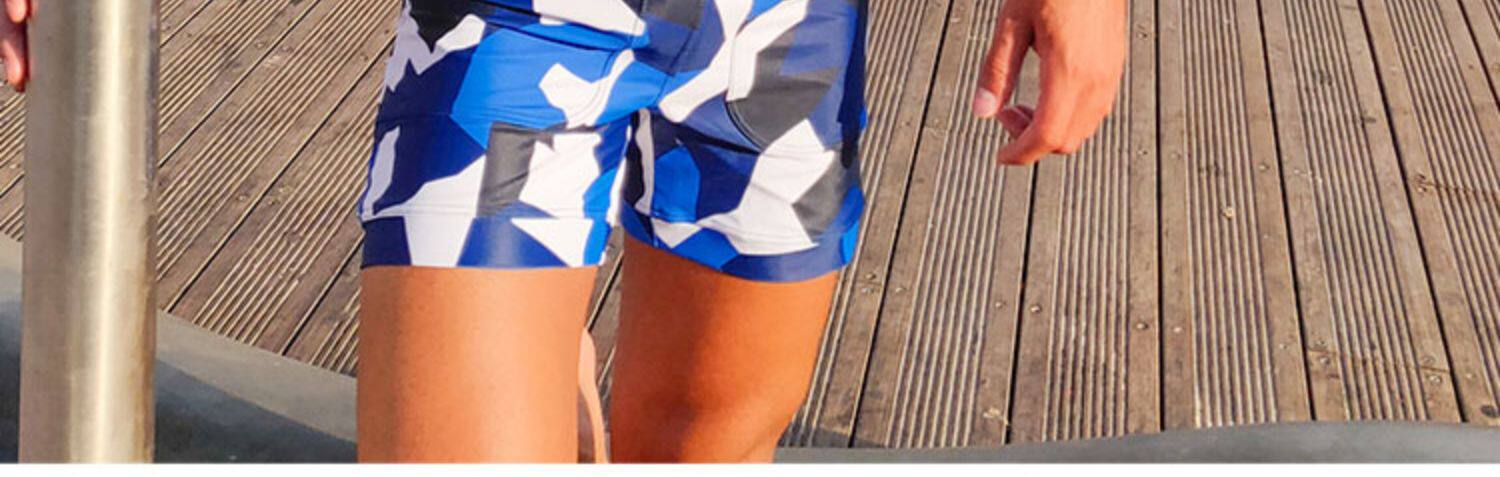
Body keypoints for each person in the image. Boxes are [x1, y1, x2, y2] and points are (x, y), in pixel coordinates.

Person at [0, 0, 1126, 463]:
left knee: (700, 446)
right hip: (520, 24)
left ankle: (557, 366)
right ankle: (543, 347)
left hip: (786, 35)